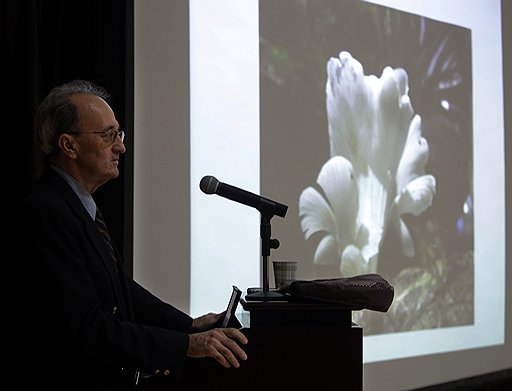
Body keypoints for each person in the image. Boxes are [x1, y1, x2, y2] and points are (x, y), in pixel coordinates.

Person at [8, 79, 248, 390]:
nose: (120, 146)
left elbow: (119, 286)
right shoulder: (48, 211)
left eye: (118, 134)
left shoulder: (78, 203)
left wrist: (187, 325)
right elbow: (87, 324)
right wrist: (186, 345)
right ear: (69, 145)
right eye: (108, 136)